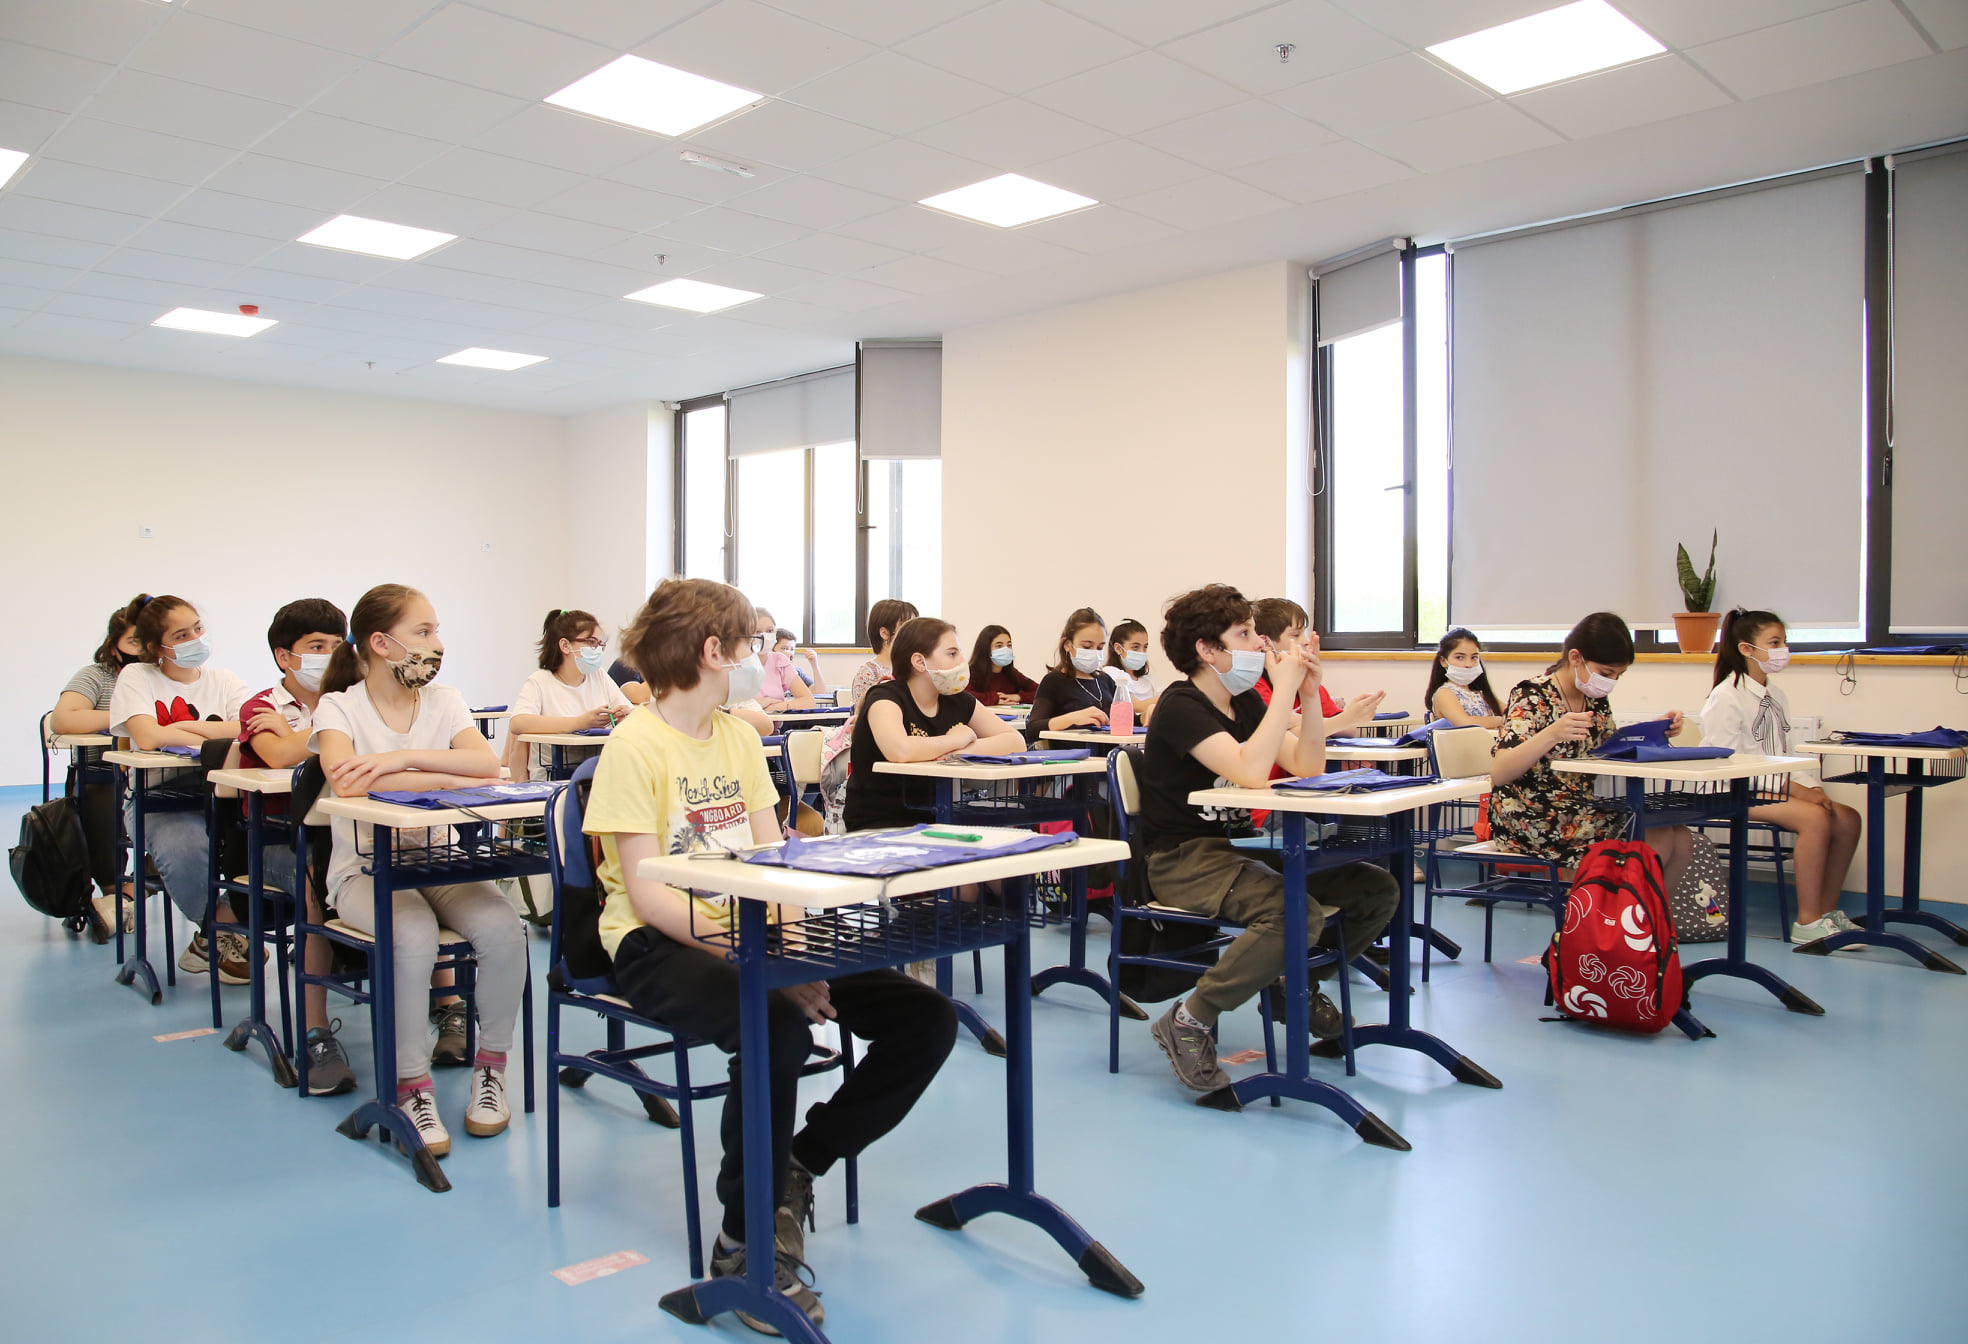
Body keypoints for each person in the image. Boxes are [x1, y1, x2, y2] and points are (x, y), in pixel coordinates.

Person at [585, 578, 957, 1330]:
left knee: (927, 1020)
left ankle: (799, 1164)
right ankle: (742, 1243)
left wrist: (792, 953)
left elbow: (773, 860)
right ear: (713, 651)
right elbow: (650, 897)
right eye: (749, 644)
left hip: (757, 930)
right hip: (659, 942)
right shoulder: (634, 745)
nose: (757, 657)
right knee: (776, 1026)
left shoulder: (736, 737)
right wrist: (759, 967)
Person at [1136, 584, 1398, 1094]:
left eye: (1256, 632)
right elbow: (1252, 772)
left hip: (1238, 849)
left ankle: (1291, 985)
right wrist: (1281, 690)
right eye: (1244, 634)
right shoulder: (1181, 705)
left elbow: (1307, 764)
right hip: (1182, 860)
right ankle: (1190, 1018)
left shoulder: (1244, 704)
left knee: (1374, 890)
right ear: (1208, 650)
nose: (1260, 644)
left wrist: (1307, 695)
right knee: (1294, 912)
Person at [310, 584, 526, 1157]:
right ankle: (412, 1088)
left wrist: (399, 760)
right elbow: (346, 780)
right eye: (423, 632)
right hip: (363, 872)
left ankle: (491, 1071)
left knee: (505, 928)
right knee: (411, 933)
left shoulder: (445, 700)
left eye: (436, 631)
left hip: (438, 863)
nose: (437, 644)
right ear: (381, 643)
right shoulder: (338, 707)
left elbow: (486, 765)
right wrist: (447, 774)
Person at [235, 598, 363, 1096]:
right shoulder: (260, 708)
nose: (329, 655)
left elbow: (297, 748)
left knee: (412, 872)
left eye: (335, 644)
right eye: (315, 646)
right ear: (284, 657)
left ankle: (447, 1008)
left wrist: (309, 734)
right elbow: (278, 756)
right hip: (277, 843)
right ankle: (315, 1033)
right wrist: (338, 726)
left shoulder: (356, 696)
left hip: (347, 835)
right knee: (317, 886)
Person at [106, 594, 253, 982]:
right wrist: (212, 737)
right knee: (187, 849)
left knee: (267, 846)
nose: (195, 639)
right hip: (156, 800)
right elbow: (147, 736)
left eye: (198, 629)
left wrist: (185, 729)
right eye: (181, 635)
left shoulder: (225, 681)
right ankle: (217, 929)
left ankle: (212, 937)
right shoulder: (137, 677)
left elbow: (246, 730)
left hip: (219, 798)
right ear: (157, 648)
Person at [1488, 612, 1693, 888]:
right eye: (1606, 673)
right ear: (1575, 657)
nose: (1611, 682)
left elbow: (1610, 748)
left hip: (1582, 804)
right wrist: (1552, 734)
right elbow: (1500, 772)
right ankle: (1609, 911)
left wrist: (1654, 730)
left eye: (1619, 675)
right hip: (1532, 813)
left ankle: (1648, 912)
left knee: (1680, 837)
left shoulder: (1594, 699)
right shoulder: (1532, 695)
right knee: (1656, 834)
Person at [1701, 608, 1862, 944]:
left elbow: (1785, 754)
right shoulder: (1725, 697)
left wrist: (1813, 788)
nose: (1782, 650)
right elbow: (1728, 764)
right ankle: (1807, 922)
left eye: (1783, 642)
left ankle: (1827, 913)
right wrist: (1796, 792)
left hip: (1768, 787)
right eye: (1774, 643)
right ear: (1746, 649)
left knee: (1848, 819)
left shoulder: (1776, 696)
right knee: (1815, 819)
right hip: (1730, 791)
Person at [843, 618, 1028, 834]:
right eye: (952, 654)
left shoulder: (957, 699)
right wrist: (954, 739)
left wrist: (961, 752)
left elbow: (1016, 741)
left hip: (941, 816)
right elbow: (899, 750)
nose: (962, 661)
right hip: (880, 822)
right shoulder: (885, 697)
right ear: (919, 662)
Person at [52, 595, 147, 934]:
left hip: (157, 774)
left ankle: (131, 892)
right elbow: (63, 719)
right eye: (133, 640)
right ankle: (113, 890)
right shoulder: (97, 676)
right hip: (103, 774)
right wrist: (131, 719)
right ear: (113, 644)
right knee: (103, 797)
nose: (141, 649)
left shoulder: (162, 676)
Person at [818, 599, 917, 832]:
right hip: (877, 749)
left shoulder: (913, 668)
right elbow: (861, 715)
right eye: (907, 626)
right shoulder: (869, 671)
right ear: (885, 633)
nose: (914, 632)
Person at [507, 608, 636, 781]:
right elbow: (518, 722)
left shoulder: (598, 676)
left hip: (598, 772)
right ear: (565, 646)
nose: (598, 649)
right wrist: (579, 722)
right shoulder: (540, 681)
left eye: (600, 644)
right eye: (591, 642)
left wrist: (623, 716)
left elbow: (630, 712)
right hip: (553, 777)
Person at [1250, 598, 1386, 734]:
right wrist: (1345, 719)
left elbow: (1349, 731)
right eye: (1296, 635)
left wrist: (1300, 721)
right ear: (1265, 643)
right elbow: (1284, 737)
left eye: (1304, 633)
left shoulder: (1306, 679)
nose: (1306, 641)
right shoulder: (1255, 685)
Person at [1028, 607, 1114, 734]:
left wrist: (1143, 717)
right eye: (1087, 647)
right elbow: (1032, 728)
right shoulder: (1054, 682)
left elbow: (1130, 720)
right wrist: (1071, 719)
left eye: (1100, 647)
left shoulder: (1106, 681)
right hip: (1074, 746)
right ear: (1068, 645)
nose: (1095, 653)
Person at [1426, 627, 1505, 730]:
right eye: (1459, 657)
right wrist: (1499, 720)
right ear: (1443, 661)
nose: (1468, 664)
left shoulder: (1480, 693)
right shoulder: (1444, 693)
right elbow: (1464, 722)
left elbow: (1512, 712)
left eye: (1474, 657)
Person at [751, 607, 817, 712]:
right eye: (757, 632)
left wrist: (773, 707)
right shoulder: (735, 662)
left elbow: (809, 701)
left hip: (776, 721)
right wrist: (764, 703)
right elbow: (732, 706)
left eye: (769, 631)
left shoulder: (780, 661)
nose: (764, 636)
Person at [1100, 619, 1160, 722]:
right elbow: (1136, 706)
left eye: (1145, 647)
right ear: (1118, 648)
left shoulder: (1149, 680)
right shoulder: (1111, 673)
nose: (1142, 652)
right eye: (1135, 647)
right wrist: (1170, 696)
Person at [966, 624, 1038, 706]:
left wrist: (1018, 697)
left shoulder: (1012, 674)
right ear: (985, 649)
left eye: (1009, 645)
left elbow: (1041, 691)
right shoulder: (971, 673)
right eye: (999, 646)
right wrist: (995, 698)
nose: (1006, 650)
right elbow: (963, 696)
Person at [775, 628, 827, 693]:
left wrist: (814, 664)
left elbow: (819, 692)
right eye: (784, 649)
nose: (790, 653)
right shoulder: (765, 673)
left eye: (792, 649)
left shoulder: (796, 672)